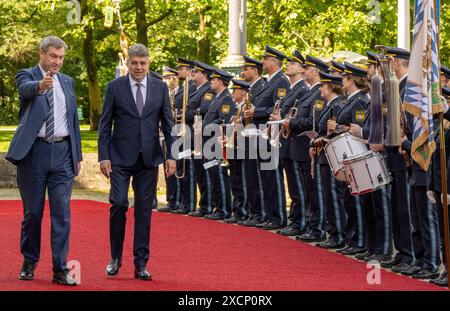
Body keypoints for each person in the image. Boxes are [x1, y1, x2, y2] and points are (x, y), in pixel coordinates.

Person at [6, 36, 83, 286]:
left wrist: (77, 155)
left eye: (60, 58)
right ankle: (29, 260)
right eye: (53, 56)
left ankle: (60, 269)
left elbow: (73, 122)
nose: (57, 62)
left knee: (62, 214)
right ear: (42, 53)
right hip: (33, 155)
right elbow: (24, 90)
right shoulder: (26, 75)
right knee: (34, 214)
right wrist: (41, 85)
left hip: (62, 155)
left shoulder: (68, 82)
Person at [98, 43, 176, 280]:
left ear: (148, 63)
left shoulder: (160, 87)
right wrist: (104, 156)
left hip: (149, 158)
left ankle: (141, 263)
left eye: (143, 63)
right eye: (134, 63)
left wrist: (171, 155)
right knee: (119, 203)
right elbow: (104, 124)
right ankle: (115, 257)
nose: (138, 67)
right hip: (120, 157)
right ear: (128, 63)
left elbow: (168, 123)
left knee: (144, 211)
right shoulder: (114, 87)